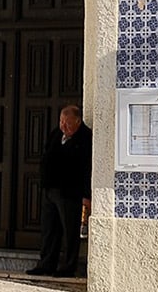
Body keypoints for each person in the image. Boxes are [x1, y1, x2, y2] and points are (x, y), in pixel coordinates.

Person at [27, 104, 91, 277]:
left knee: (70, 231)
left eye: (67, 123)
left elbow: (87, 168)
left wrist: (87, 195)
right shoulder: (57, 133)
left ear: (78, 121)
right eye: (61, 122)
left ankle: (68, 267)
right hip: (51, 189)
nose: (63, 126)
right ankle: (46, 263)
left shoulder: (86, 138)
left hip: (70, 192)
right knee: (49, 229)